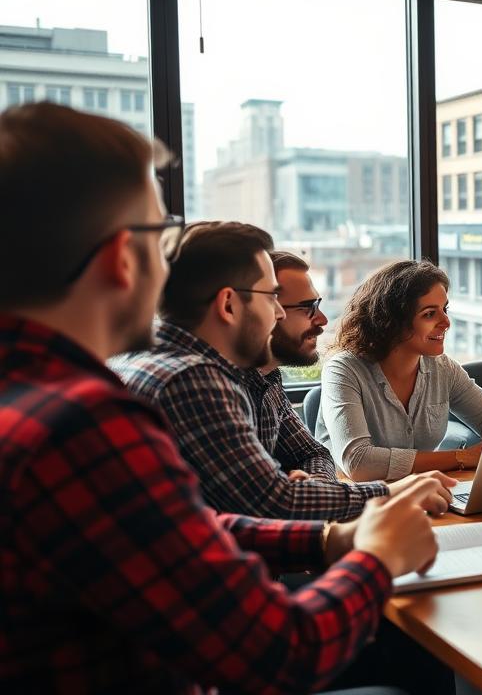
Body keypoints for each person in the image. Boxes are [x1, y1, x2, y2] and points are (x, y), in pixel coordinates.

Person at [0, 102, 443, 692]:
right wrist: (379, 556)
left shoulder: (30, 394)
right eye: (161, 237)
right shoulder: (85, 424)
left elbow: (180, 534)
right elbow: (279, 651)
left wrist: (329, 537)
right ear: (119, 259)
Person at [112, 224, 454, 520]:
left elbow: (312, 457)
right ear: (228, 305)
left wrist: (312, 491)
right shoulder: (190, 379)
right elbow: (272, 504)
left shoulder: (250, 374)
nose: (276, 313)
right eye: (271, 299)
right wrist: (391, 495)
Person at [316, 259, 482, 481]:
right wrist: (462, 457)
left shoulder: (443, 368)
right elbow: (359, 463)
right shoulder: (343, 370)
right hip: (358, 503)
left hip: (424, 494)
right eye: (429, 314)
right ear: (392, 321)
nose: (446, 322)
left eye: (444, 310)